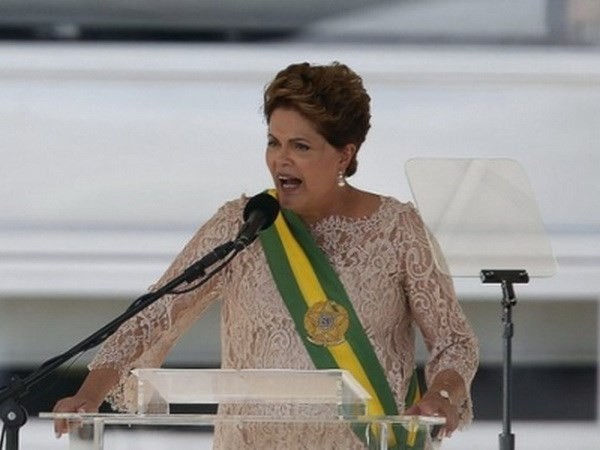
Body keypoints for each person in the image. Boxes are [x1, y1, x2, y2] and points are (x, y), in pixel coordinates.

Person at [53, 61, 478, 449]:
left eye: (301, 147)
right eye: (274, 142)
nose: (281, 160)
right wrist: (89, 393)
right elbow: (152, 315)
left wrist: (441, 395)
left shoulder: (398, 229)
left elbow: (454, 341)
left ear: (345, 155)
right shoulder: (243, 224)